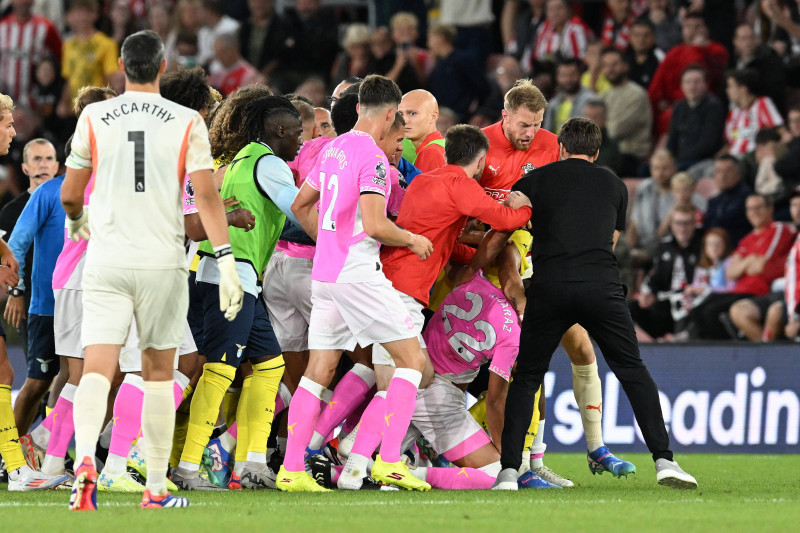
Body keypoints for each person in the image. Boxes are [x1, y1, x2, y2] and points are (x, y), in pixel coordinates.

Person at [62, 30, 242, 511]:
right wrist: (225, 261)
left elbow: (70, 193)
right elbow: (206, 197)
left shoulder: (94, 115)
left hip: (106, 261)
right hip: (162, 263)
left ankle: (85, 464)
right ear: (162, 67)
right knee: (160, 373)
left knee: (98, 369)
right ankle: (156, 487)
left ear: (121, 64)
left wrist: (78, 222)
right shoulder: (187, 121)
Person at [483, 117, 697, 491]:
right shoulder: (615, 185)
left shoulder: (534, 181)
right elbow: (610, 240)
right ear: (595, 153)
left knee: (529, 376)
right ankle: (665, 462)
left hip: (550, 288)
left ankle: (508, 472)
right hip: (601, 286)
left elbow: (510, 224)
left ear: (561, 148)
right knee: (632, 370)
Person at [282, 75, 433, 492]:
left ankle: (292, 468)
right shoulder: (373, 159)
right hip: (357, 272)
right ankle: (388, 462)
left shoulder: (334, 148)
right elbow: (376, 223)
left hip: (325, 274)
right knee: (412, 361)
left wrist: (328, 241)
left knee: (319, 371)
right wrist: (413, 239)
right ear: (389, 115)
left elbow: (300, 204)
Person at [174, 96, 303, 491]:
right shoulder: (269, 164)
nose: (301, 140)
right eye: (297, 132)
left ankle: (252, 465)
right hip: (231, 277)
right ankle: (188, 467)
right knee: (219, 368)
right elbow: (298, 211)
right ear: (279, 130)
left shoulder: (238, 162)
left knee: (269, 366)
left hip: (231, 276)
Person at [0, 92, 68, 492]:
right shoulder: (40, 198)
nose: (13, 130)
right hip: (44, 303)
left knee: (6, 371)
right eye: (9, 124)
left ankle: (16, 464)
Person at [5, 139, 61, 438]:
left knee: (77, 378)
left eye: (48, 158)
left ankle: (54, 451)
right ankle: (11, 454)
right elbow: (12, 250)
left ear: (58, 163)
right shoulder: (28, 203)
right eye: (36, 159)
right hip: (43, 305)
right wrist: (16, 292)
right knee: (40, 381)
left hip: (87, 305)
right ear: (24, 167)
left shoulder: (97, 195)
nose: (42, 164)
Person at [690, 194, 796, 340]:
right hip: (737, 290)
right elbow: (731, 272)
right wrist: (749, 261)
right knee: (697, 311)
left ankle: (736, 350)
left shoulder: (778, 229)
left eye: (758, 208)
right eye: (750, 209)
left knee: (711, 312)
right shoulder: (747, 239)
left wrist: (743, 262)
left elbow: (762, 265)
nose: (754, 213)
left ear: (770, 209)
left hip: (757, 290)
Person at [648, 12, 728, 136]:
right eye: (688, 27)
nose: (692, 31)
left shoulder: (716, 50)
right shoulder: (674, 52)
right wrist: (659, 101)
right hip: (674, 107)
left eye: (697, 27)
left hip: (703, 106)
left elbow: (713, 79)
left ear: (706, 29)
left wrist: (699, 49)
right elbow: (657, 85)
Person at [629, 205, 702, 340]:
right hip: (664, 301)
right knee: (631, 306)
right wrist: (649, 293)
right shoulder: (664, 246)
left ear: (694, 224)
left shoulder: (703, 246)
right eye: (678, 223)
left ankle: (677, 340)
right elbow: (656, 276)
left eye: (687, 223)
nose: (683, 228)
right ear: (672, 225)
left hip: (689, 299)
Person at [600, 46, 652, 176]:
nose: (610, 69)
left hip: (630, 157)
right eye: (606, 65)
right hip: (607, 153)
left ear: (625, 66)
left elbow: (615, 131)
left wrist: (600, 124)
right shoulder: (603, 96)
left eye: (615, 64)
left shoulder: (636, 94)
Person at [0, 0, 62, 108]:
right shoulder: (2, 27)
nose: (22, 2)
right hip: (4, 100)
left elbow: (60, 57)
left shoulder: (46, 27)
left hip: (36, 104)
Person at [666, 65, 725, 170]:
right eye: (687, 82)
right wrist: (669, 157)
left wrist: (681, 158)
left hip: (702, 161)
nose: (692, 87)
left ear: (705, 84)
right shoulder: (679, 106)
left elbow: (709, 144)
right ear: (681, 85)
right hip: (679, 160)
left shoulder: (713, 106)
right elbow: (672, 138)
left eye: (696, 82)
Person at [426, 23, 490, 121]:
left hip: (462, 117)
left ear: (441, 37)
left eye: (430, 38)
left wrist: (473, 109)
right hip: (442, 117)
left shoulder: (463, 59)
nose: (428, 44)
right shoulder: (438, 65)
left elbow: (482, 86)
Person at [61, 0, 120, 101]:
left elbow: (111, 77)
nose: (81, 17)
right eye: (78, 12)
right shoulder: (68, 45)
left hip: (97, 105)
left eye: (86, 12)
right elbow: (69, 78)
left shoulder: (107, 44)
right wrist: (63, 102)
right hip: (75, 107)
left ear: (95, 15)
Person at [723, 69, 785, 157]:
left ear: (743, 89)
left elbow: (781, 132)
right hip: (733, 158)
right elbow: (729, 143)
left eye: (730, 86)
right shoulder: (733, 113)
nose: (727, 91)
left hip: (753, 156)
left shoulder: (762, 104)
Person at [703, 155, 753, 247]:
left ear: (738, 173)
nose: (722, 176)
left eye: (728, 171)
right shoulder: (713, 202)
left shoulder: (749, 198)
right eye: (718, 171)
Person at [543, 58, 596, 134]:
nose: (568, 79)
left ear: (580, 75)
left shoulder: (590, 99)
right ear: (557, 77)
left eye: (572, 75)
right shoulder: (553, 103)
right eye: (564, 75)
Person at [398, 89, 446, 172]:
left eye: (412, 113)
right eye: (400, 114)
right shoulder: (442, 146)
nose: (404, 120)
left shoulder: (431, 153)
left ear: (433, 116)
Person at [625, 18, 663, 90]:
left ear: (654, 38)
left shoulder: (661, 58)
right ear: (630, 37)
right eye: (636, 35)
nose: (641, 39)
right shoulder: (622, 59)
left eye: (646, 35)